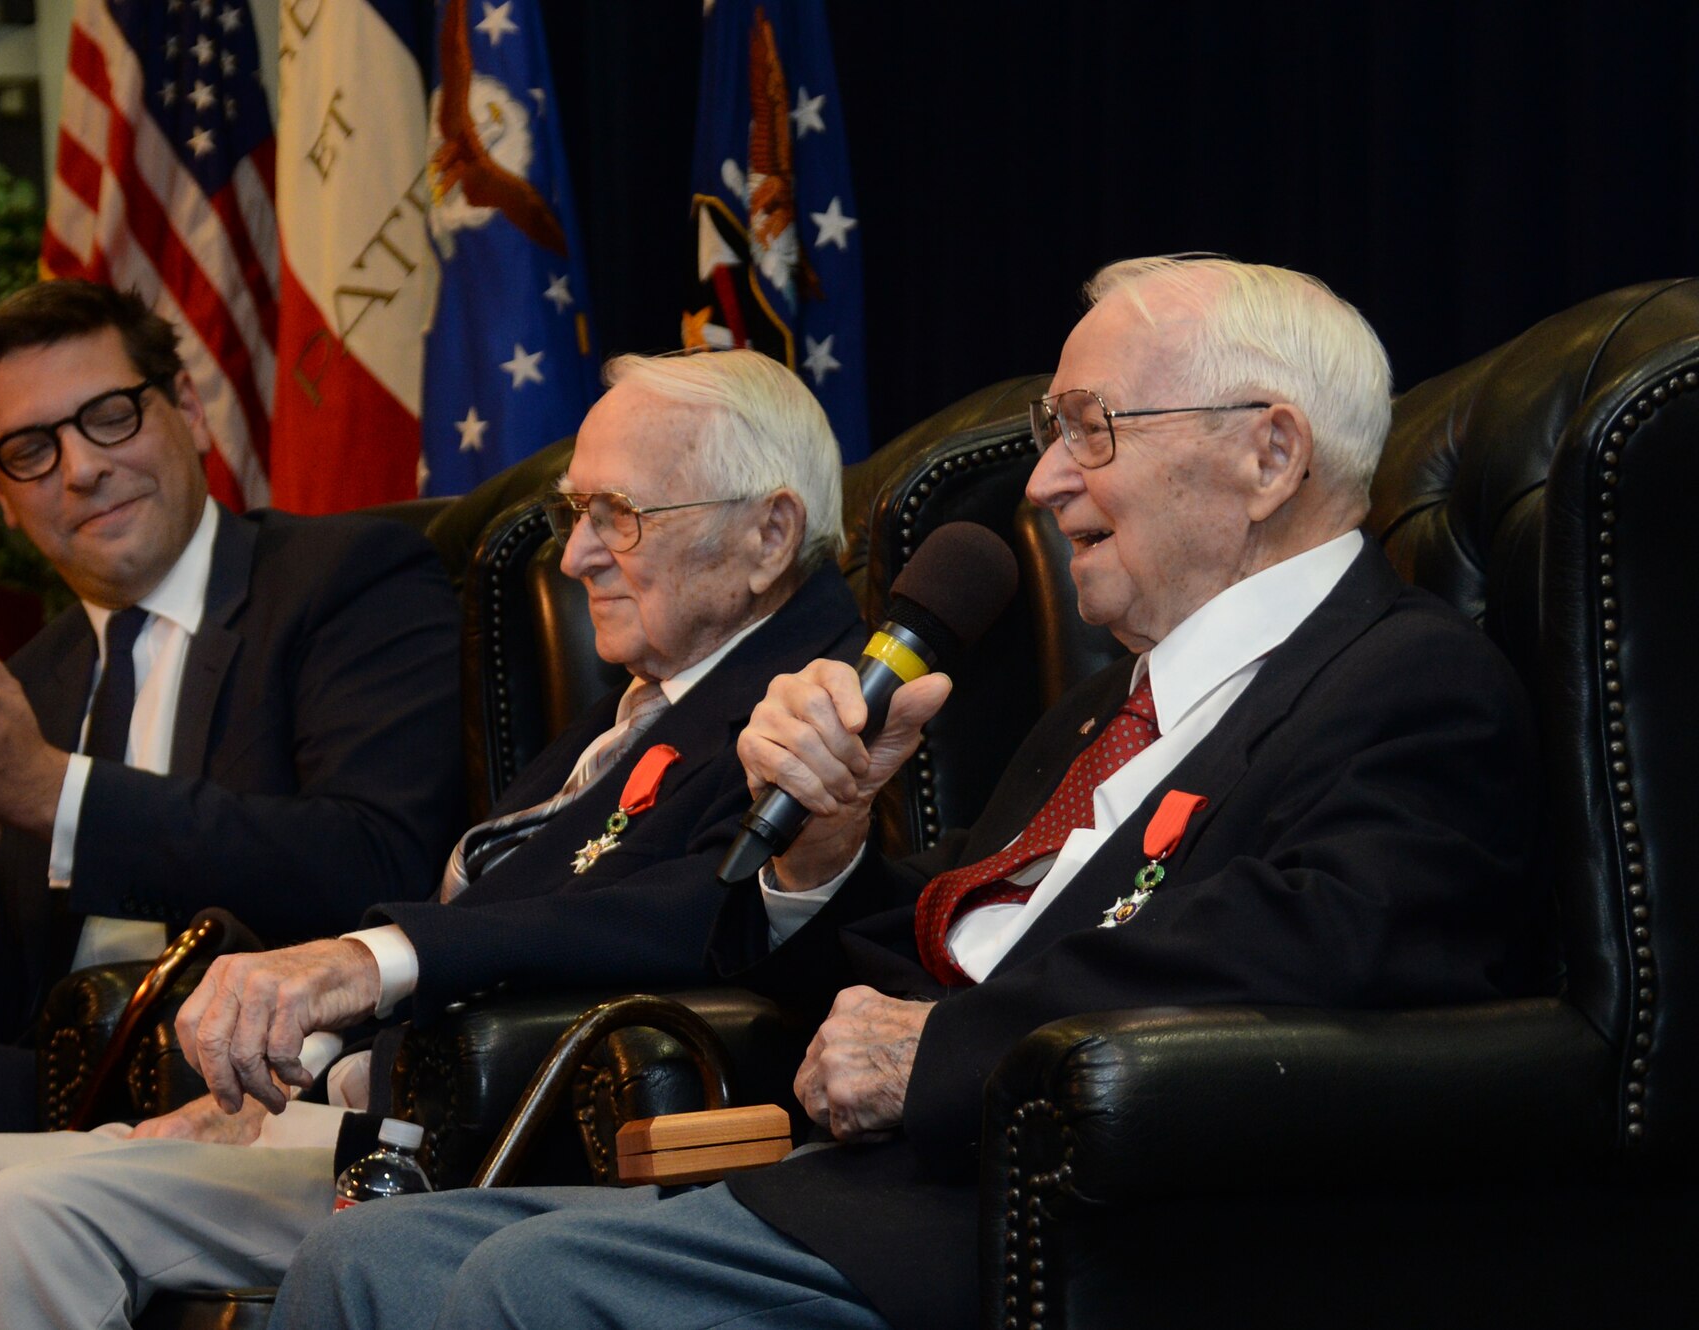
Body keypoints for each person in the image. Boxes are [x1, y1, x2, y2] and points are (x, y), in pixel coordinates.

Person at [262, 256, 1552, 1330]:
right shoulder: (1094, 712)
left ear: (1269, 454)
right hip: (882, 1183)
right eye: (1052, 433)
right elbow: (940, 956)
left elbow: (1309, 958)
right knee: (362, 1261)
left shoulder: (1407, 681)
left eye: (1087, 428)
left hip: (1093, 1218)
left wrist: (940, 1051)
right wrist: (821, 848)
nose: (1043, 480)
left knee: (532, 1285)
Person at [0, 347, 869, 1330]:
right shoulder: (637, 701)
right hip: (343, 1103)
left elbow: (668, 918)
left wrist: (360, 971)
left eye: (616, 516)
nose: (575, 556)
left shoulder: (807, 708)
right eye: (577, 513)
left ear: (769, 533)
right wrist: (299, 1083)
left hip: (475, 1139)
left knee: (25, 1218)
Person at [0, 279, 468, 1326]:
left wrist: (52, 789)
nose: (81, 466)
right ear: (1, 493)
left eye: (108, 415)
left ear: (185, 409)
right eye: (31, 449)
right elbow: (11, 1024)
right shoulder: (31, 680)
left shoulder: (341, 581)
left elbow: (375, 858)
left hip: (260, 1083)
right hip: (70, 1088)